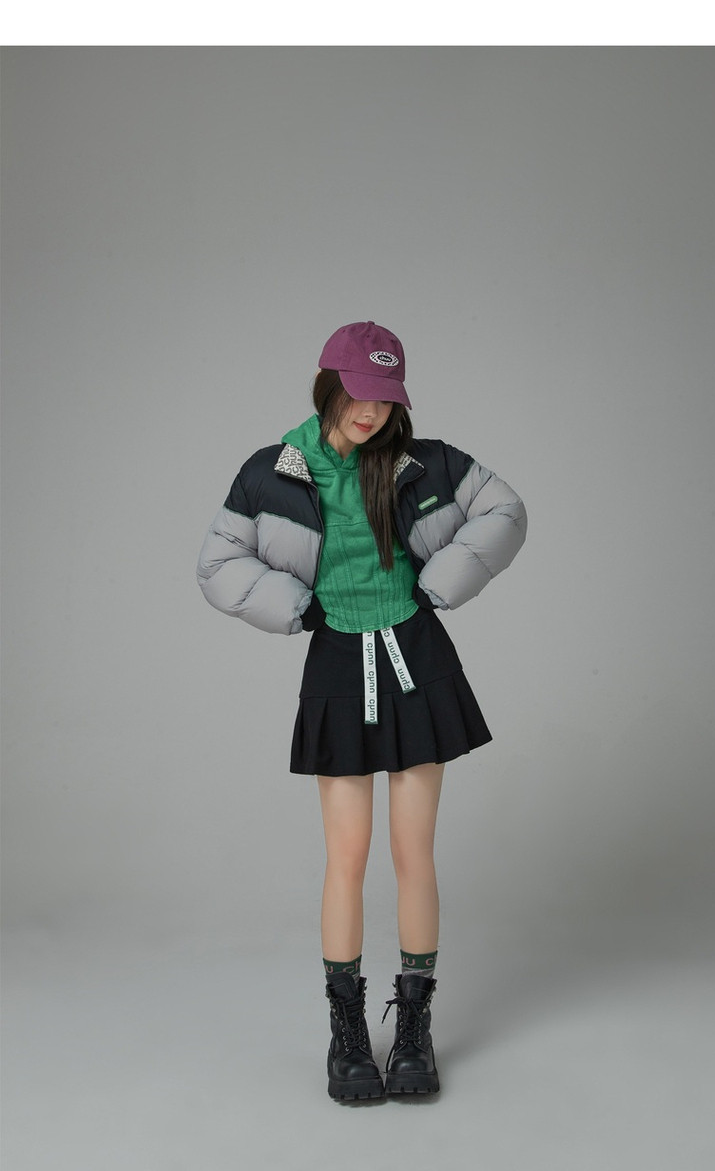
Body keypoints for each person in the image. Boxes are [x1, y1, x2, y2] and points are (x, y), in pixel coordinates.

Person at [196, 321, 527, 1101]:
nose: (371, 410)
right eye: (357, 392)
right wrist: (294, 606)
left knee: (415, 853)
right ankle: (347, 1036)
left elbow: (505, 510)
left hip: (418, 659)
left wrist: (442, 582)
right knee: (346, 856)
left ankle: (414, 1032)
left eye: (385, 396)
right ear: (328, 385)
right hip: (339, 665)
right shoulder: (271, 471)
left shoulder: (423, 462)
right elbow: (216, 562)